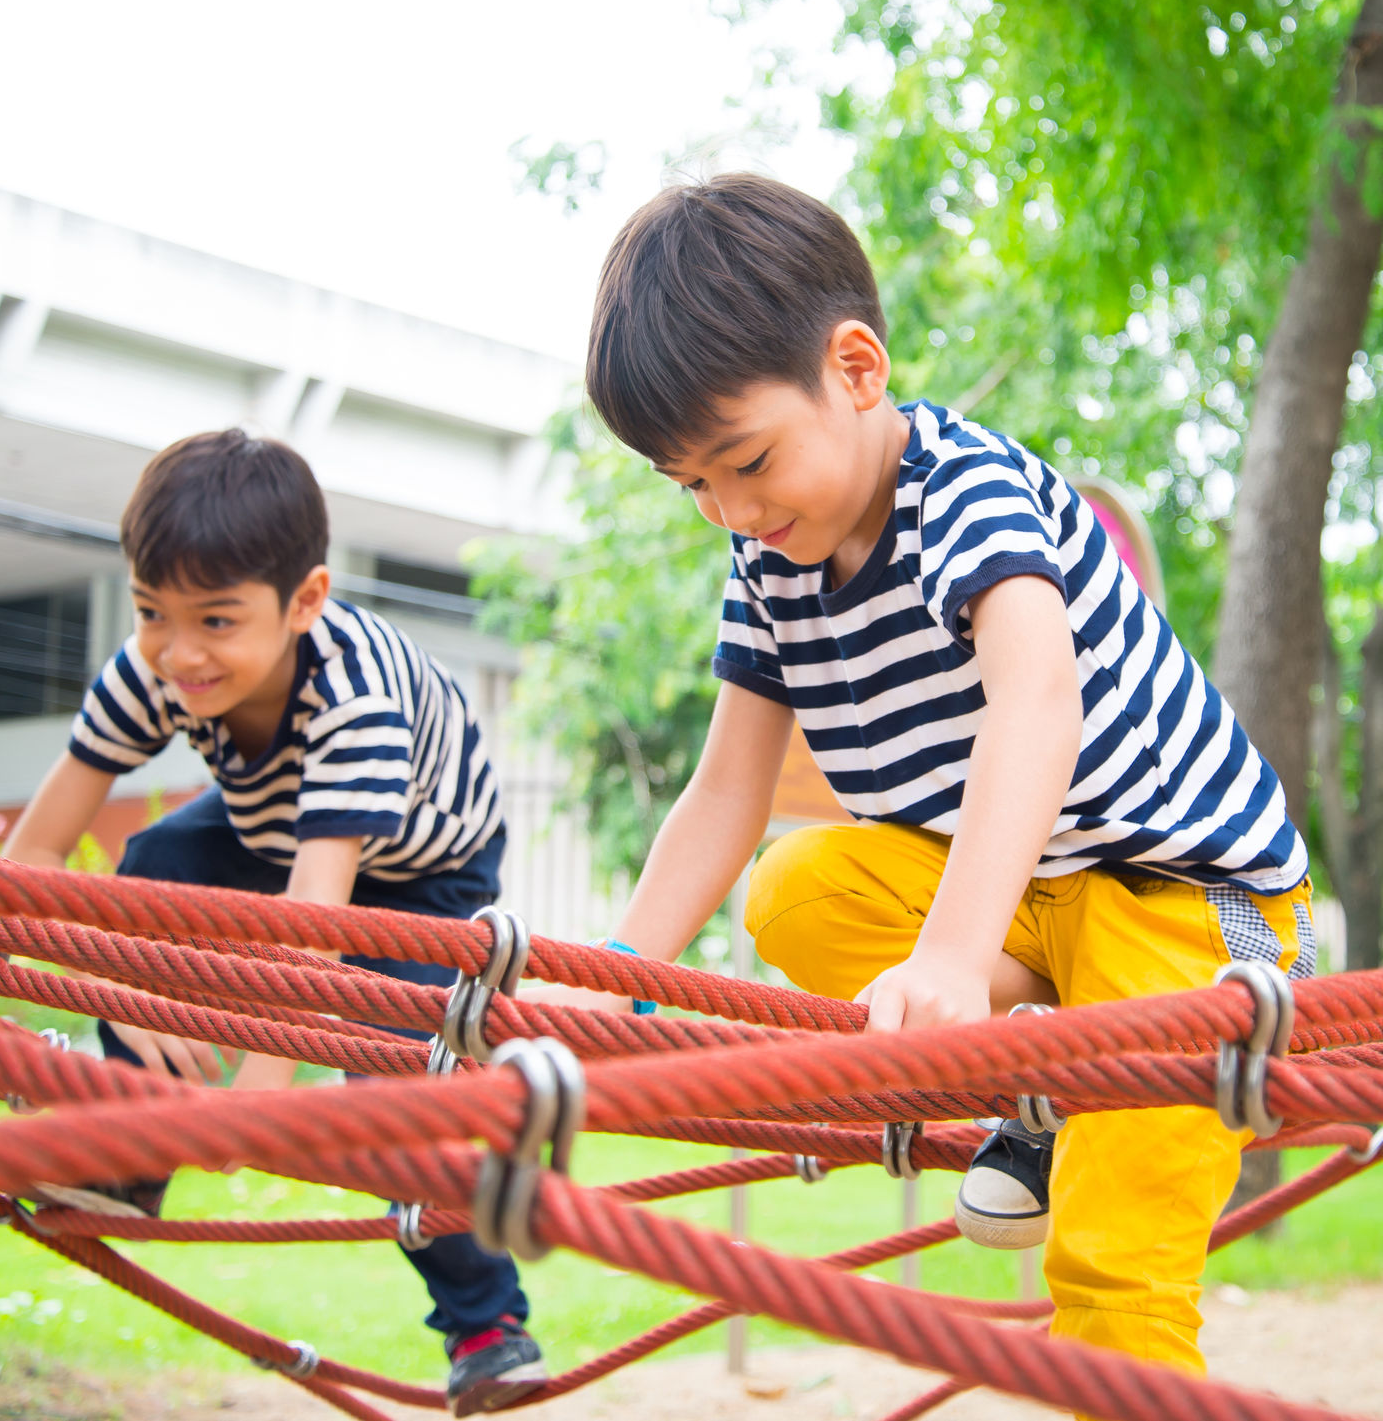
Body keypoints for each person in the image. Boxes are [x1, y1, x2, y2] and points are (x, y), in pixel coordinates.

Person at [545, 174, 1314, 1382]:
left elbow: (1036, 701)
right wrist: (612, 988)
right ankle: (1051, 1059)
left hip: (1182, 895)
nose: (729, 511)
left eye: (744, 459)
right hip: (1025, 905)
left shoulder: (962, 487)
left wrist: (954, 958)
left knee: (1113, 1268)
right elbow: (723, 797)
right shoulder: (768, 566)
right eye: (689, 483)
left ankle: (1064, 1075)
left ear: (855, 369)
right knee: (791, 890)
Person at [1, 429, 543, 1416]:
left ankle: (486, 1322)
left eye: (216, 617)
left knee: (393, 1072)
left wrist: (248, 1109)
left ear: (305, 601)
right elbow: (32, 858)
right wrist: (126, 986)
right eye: (152, 610)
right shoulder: (155, 666)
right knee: (152, 870)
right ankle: (122, 1161)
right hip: (277, 829)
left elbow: (310, 934)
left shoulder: (353, 700)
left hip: (418, 869)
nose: (180, 650)